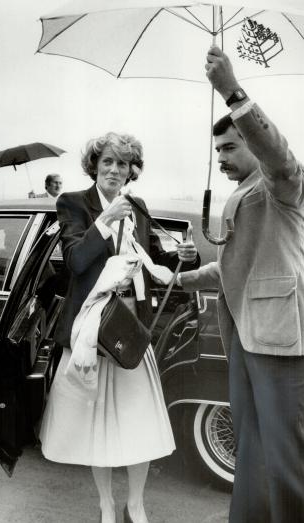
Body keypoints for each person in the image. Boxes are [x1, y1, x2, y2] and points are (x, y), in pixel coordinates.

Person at [39, 132, 200, 523]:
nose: (114, 169)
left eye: (123, 163)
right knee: (99, 427)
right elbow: (76, 261)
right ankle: (106, 504)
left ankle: (136, 503)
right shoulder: (73, 203)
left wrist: (185, 257)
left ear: (132, 170)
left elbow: (155, 258)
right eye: (107, 161)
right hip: (94, 331)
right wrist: (105, 222)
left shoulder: (137, 205)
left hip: (130, 330)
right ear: (94, 165)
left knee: (138, 423)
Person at [175, 45, 304, 523]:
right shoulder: (240, 197)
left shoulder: (282, 184)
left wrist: (231, 91)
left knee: (285, 457)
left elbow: (279, 153)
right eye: (218, 151)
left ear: (251, 142)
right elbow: (232, 269)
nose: (222, 158)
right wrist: (181, 275)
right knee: (251, 446)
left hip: (279, 341)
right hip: (245, 340)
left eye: (230, 147)